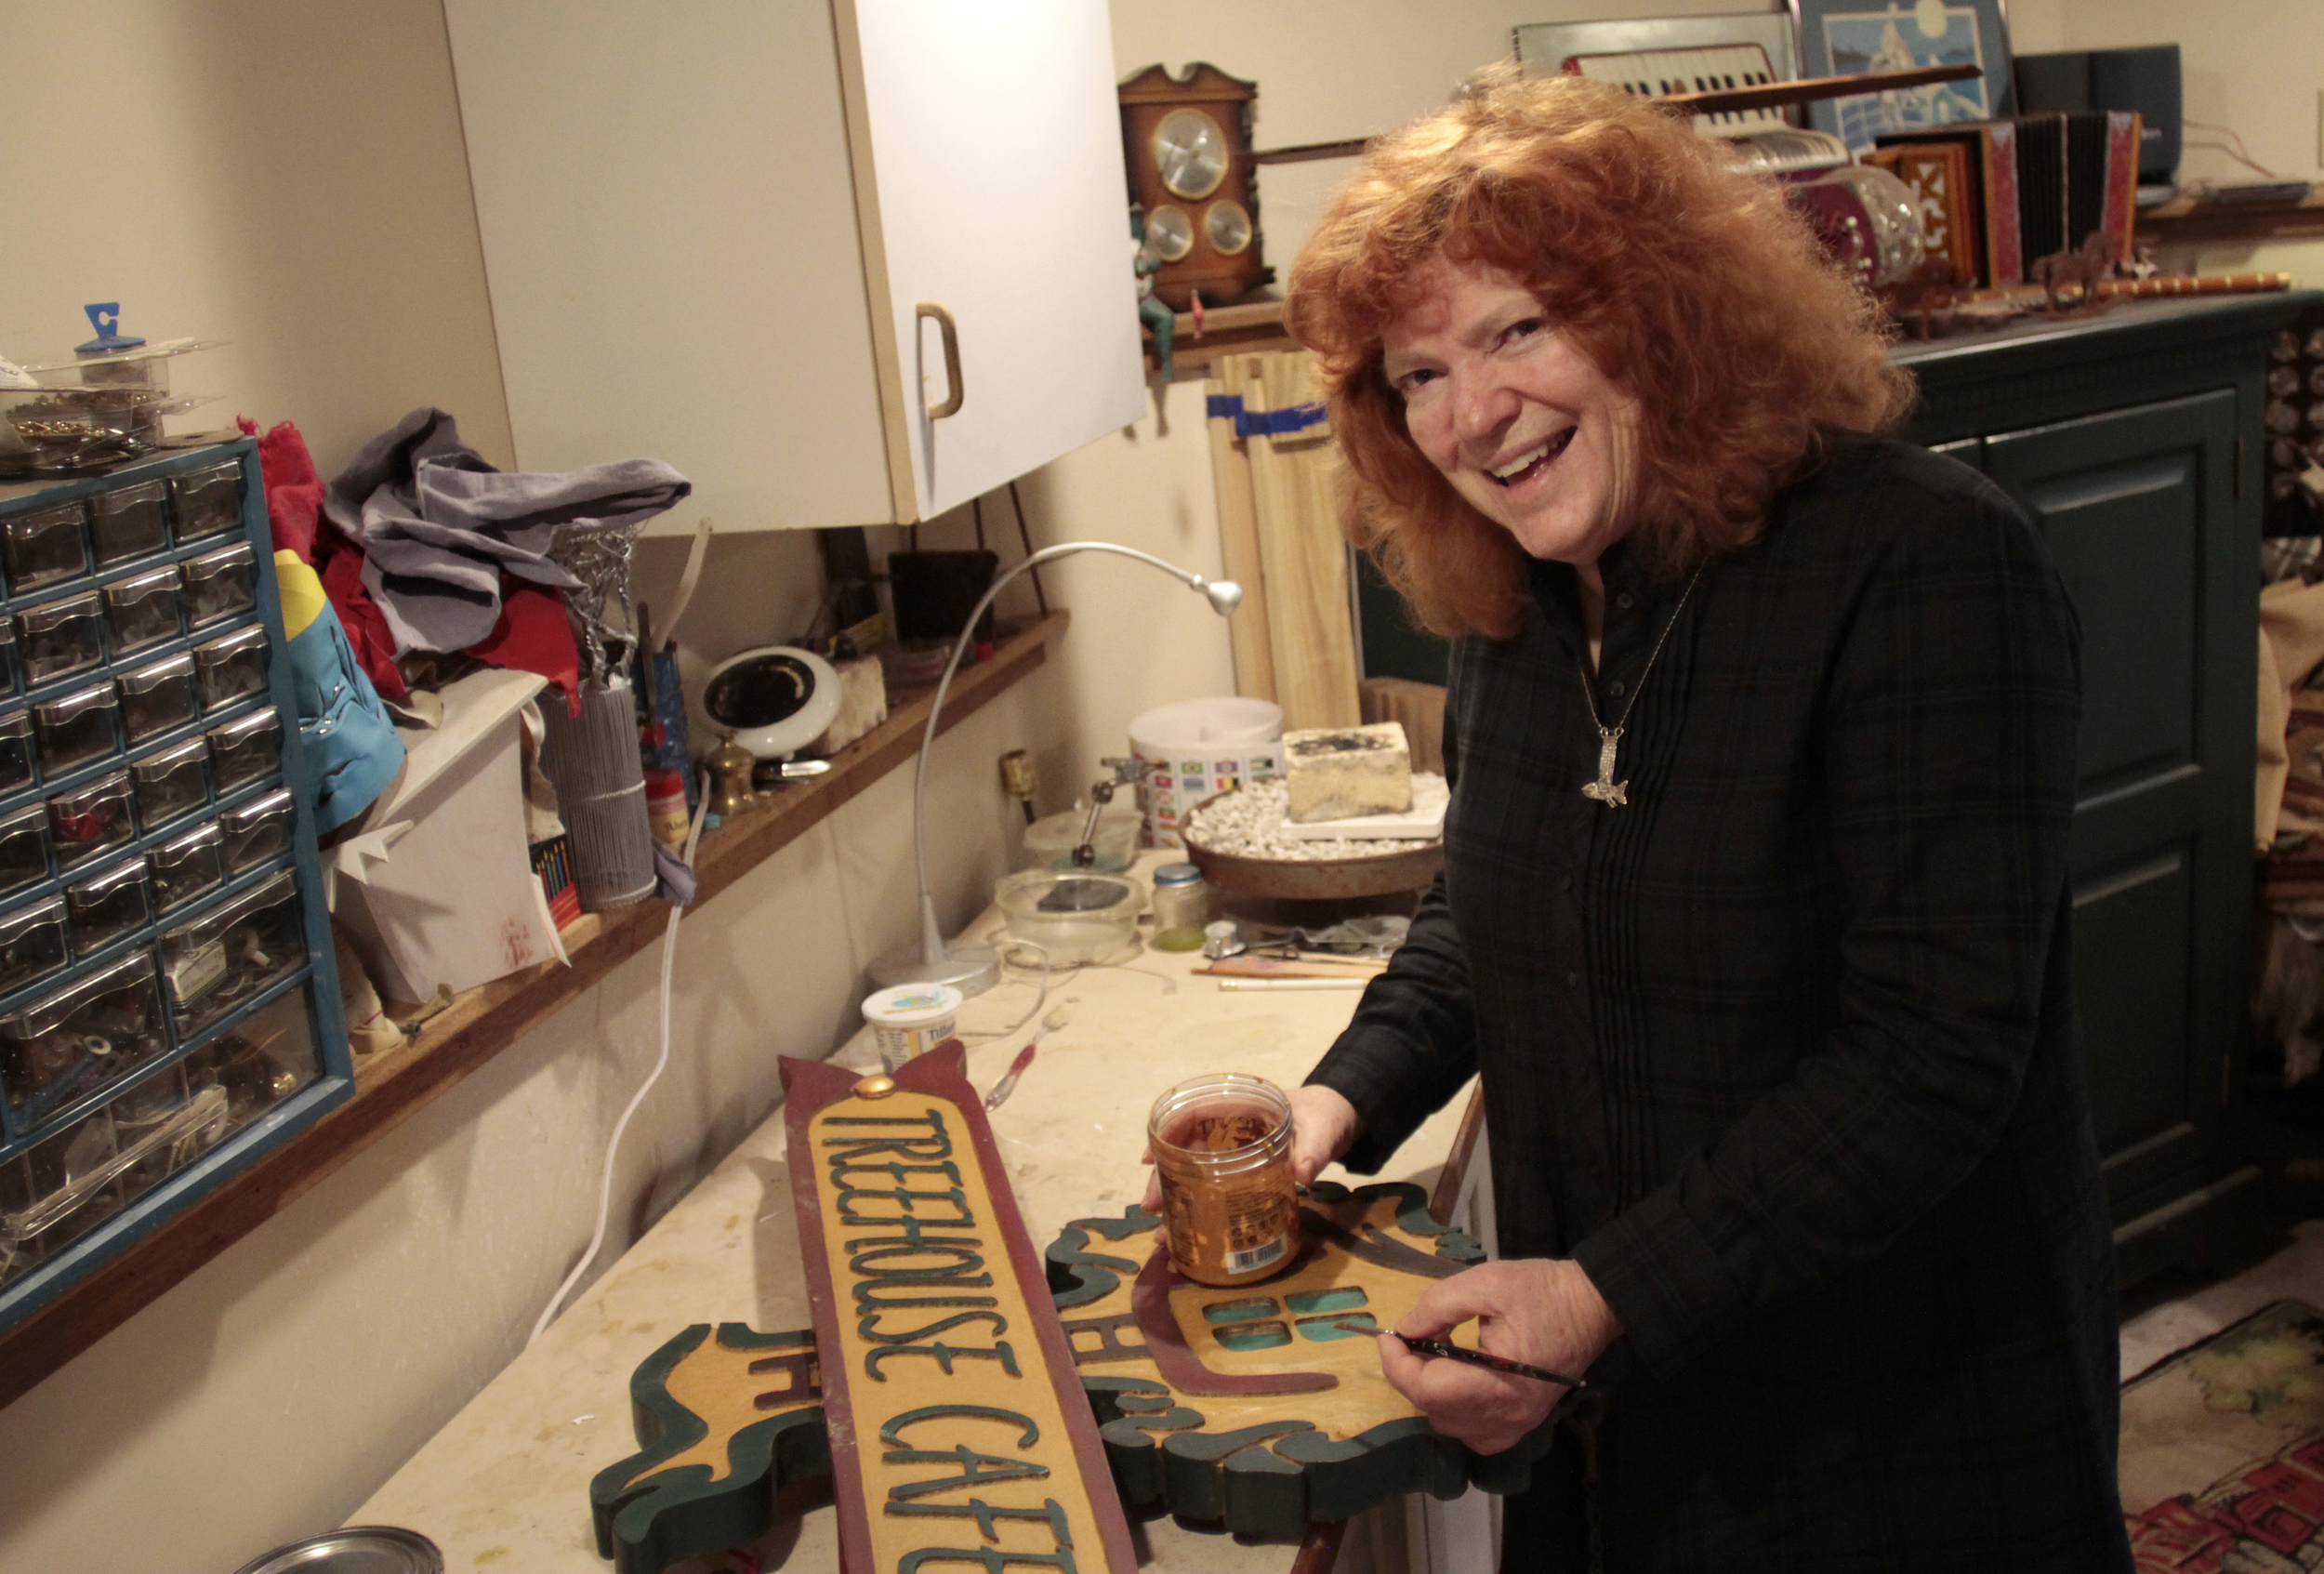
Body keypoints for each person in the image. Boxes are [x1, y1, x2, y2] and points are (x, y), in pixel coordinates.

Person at [1267, 70, 2130, 1572]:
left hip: (1893, 1413)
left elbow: (1931, 1057)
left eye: (1516, 329)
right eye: (1417, 374)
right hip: (1612, 1409)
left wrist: (1595, 1293)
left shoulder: (1921, 566)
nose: (1472, 415)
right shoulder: (1511, 603)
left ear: (1657, 310)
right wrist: (1328, 1109)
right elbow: (1490, 909)